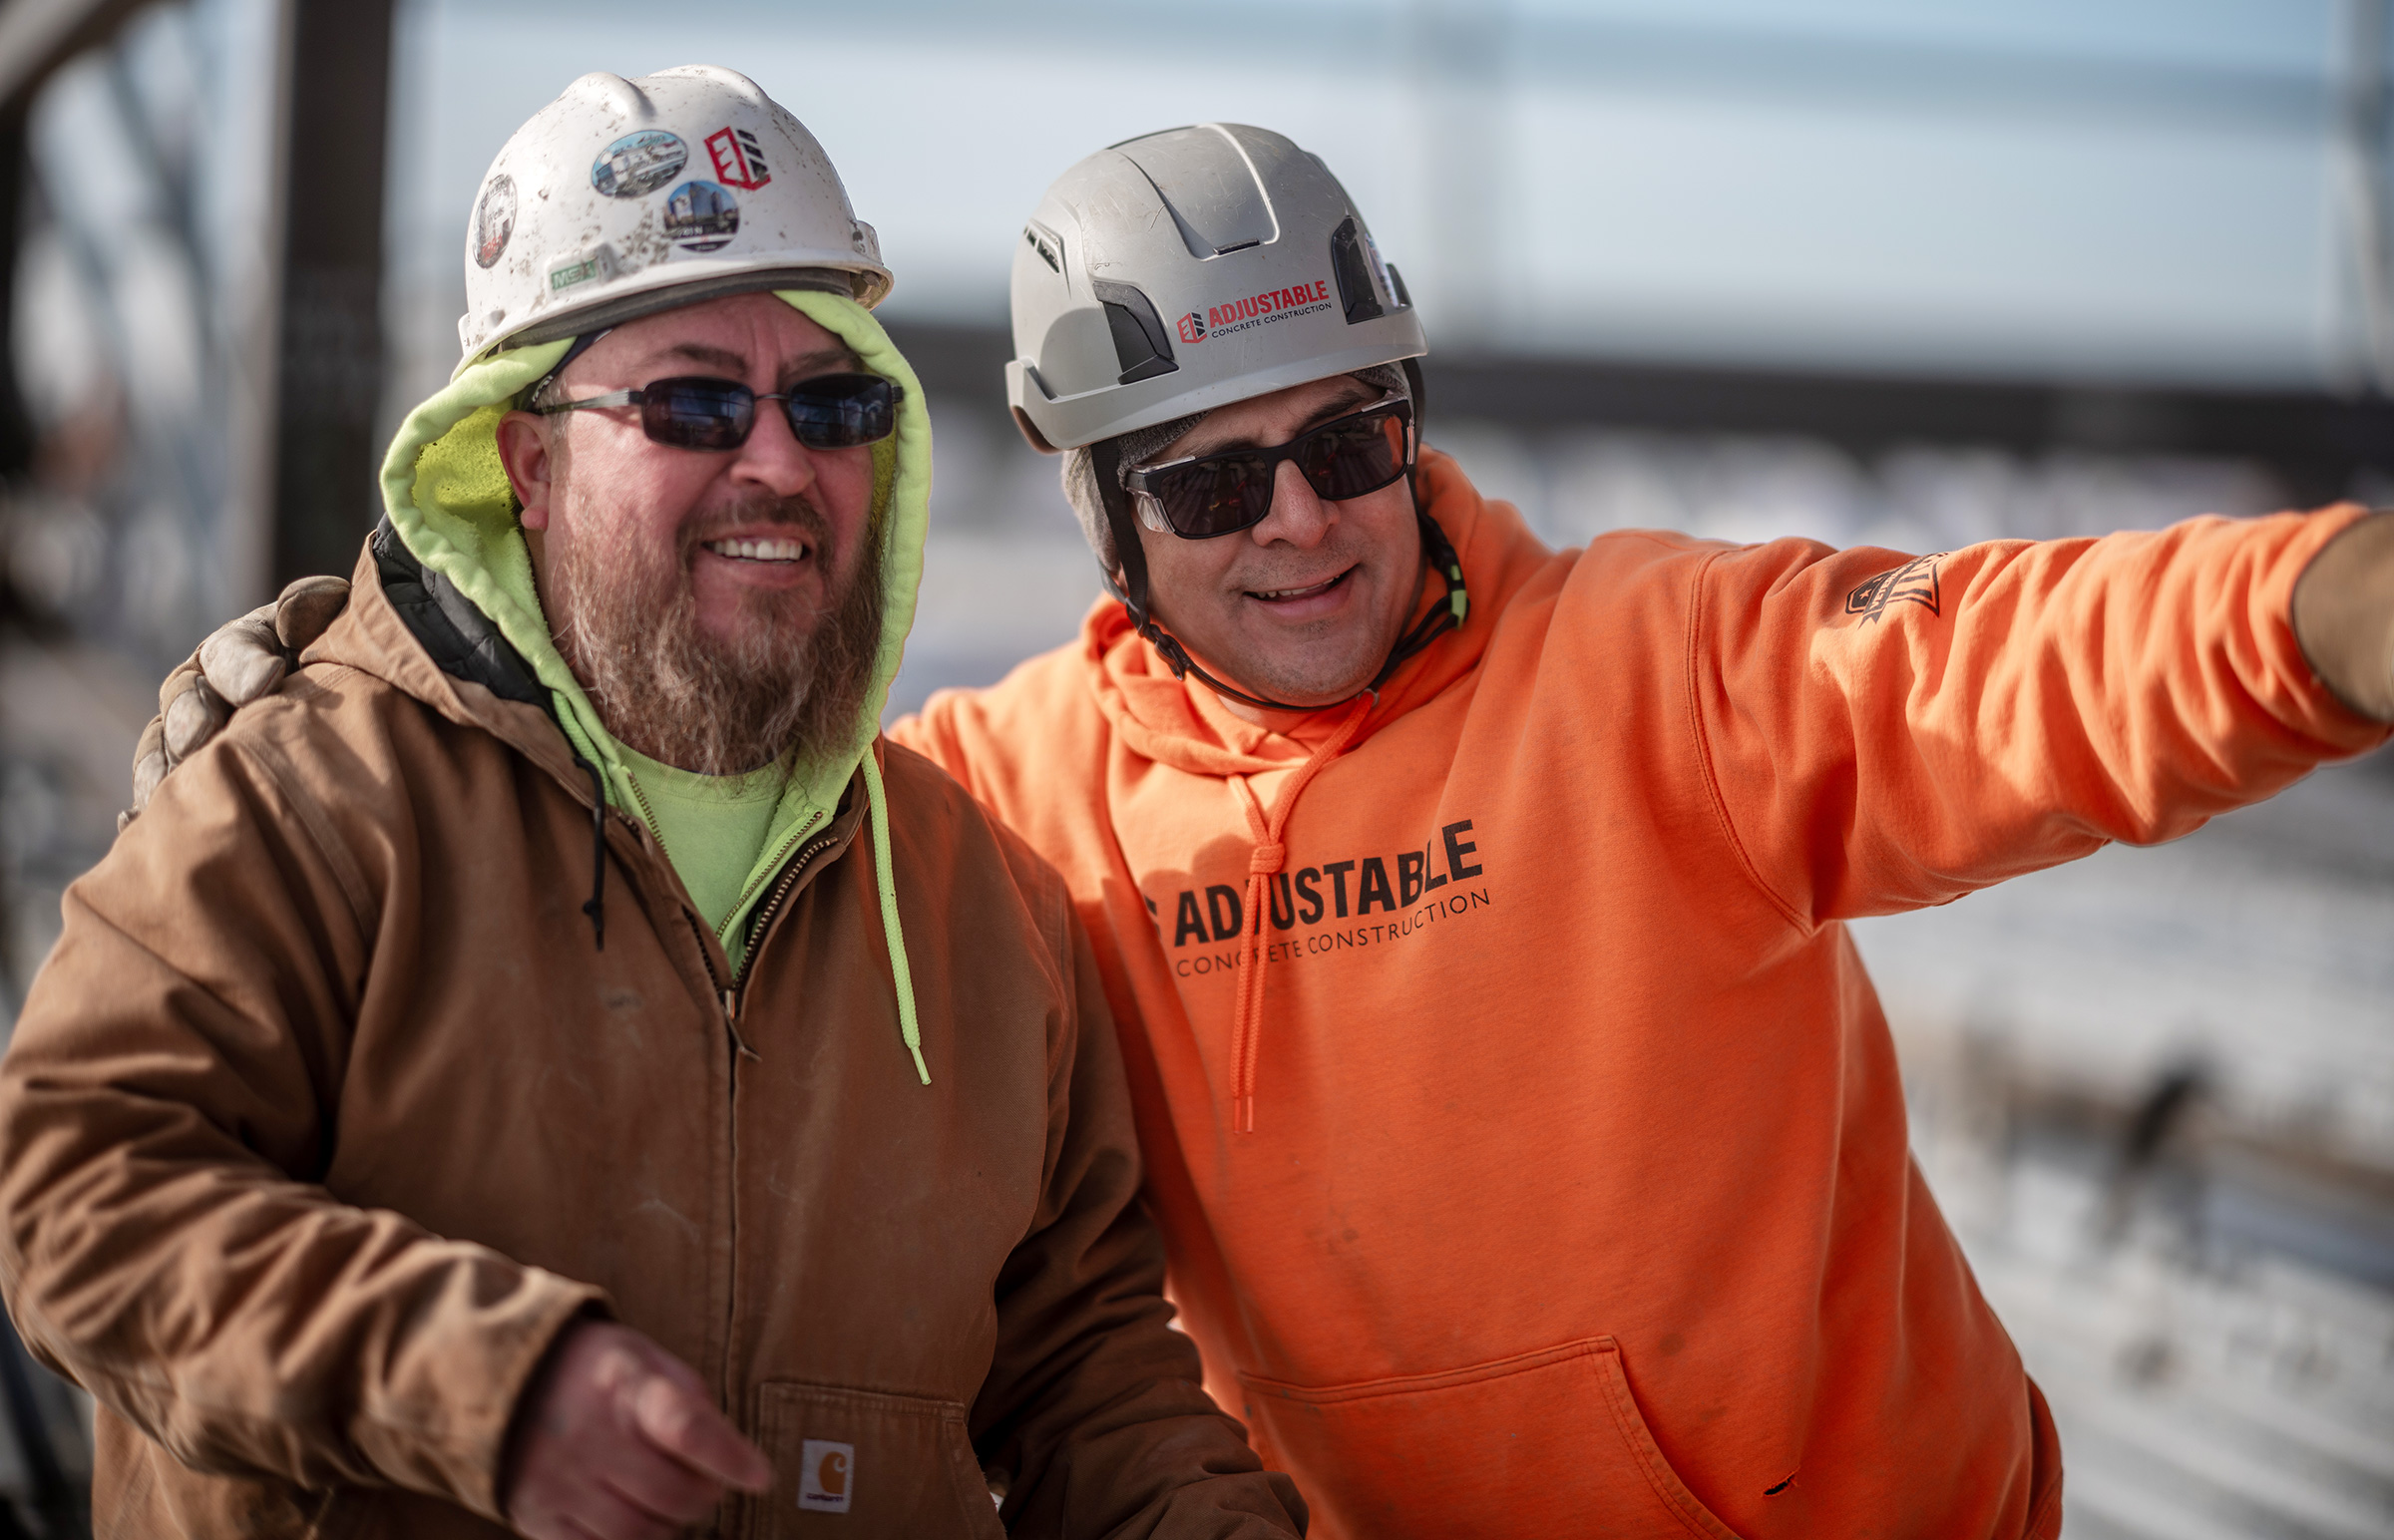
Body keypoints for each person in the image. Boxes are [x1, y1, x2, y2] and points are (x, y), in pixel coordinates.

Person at [135, 121, 2394, 1539]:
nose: (1301, 520)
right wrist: (346, 706)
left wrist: (2328, 610)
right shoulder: (1007, 811)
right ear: (1104, 513)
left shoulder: (1659, 674)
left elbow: (2020, 655)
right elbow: (653, 844)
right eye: (1213, 478)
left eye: (1347, 443)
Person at [0, 75, 1306, 1540]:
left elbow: (1085, 1376)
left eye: (834, 404)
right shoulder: (313, 803)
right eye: (693, 404)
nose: (779, 460)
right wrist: (484, 1387)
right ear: (527, 463)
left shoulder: (977, 902)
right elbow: (74, 1187)